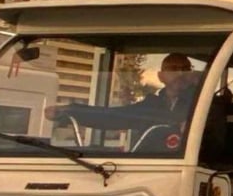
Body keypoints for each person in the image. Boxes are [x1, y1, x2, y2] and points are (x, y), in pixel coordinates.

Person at [46, 53, 203, 150]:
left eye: (185, 68)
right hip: (151, 167)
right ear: (161, 76)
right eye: (173, 68)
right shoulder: (150, 106)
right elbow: (112, 116)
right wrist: (70, 110)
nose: (180, 73)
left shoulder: (204, 104)